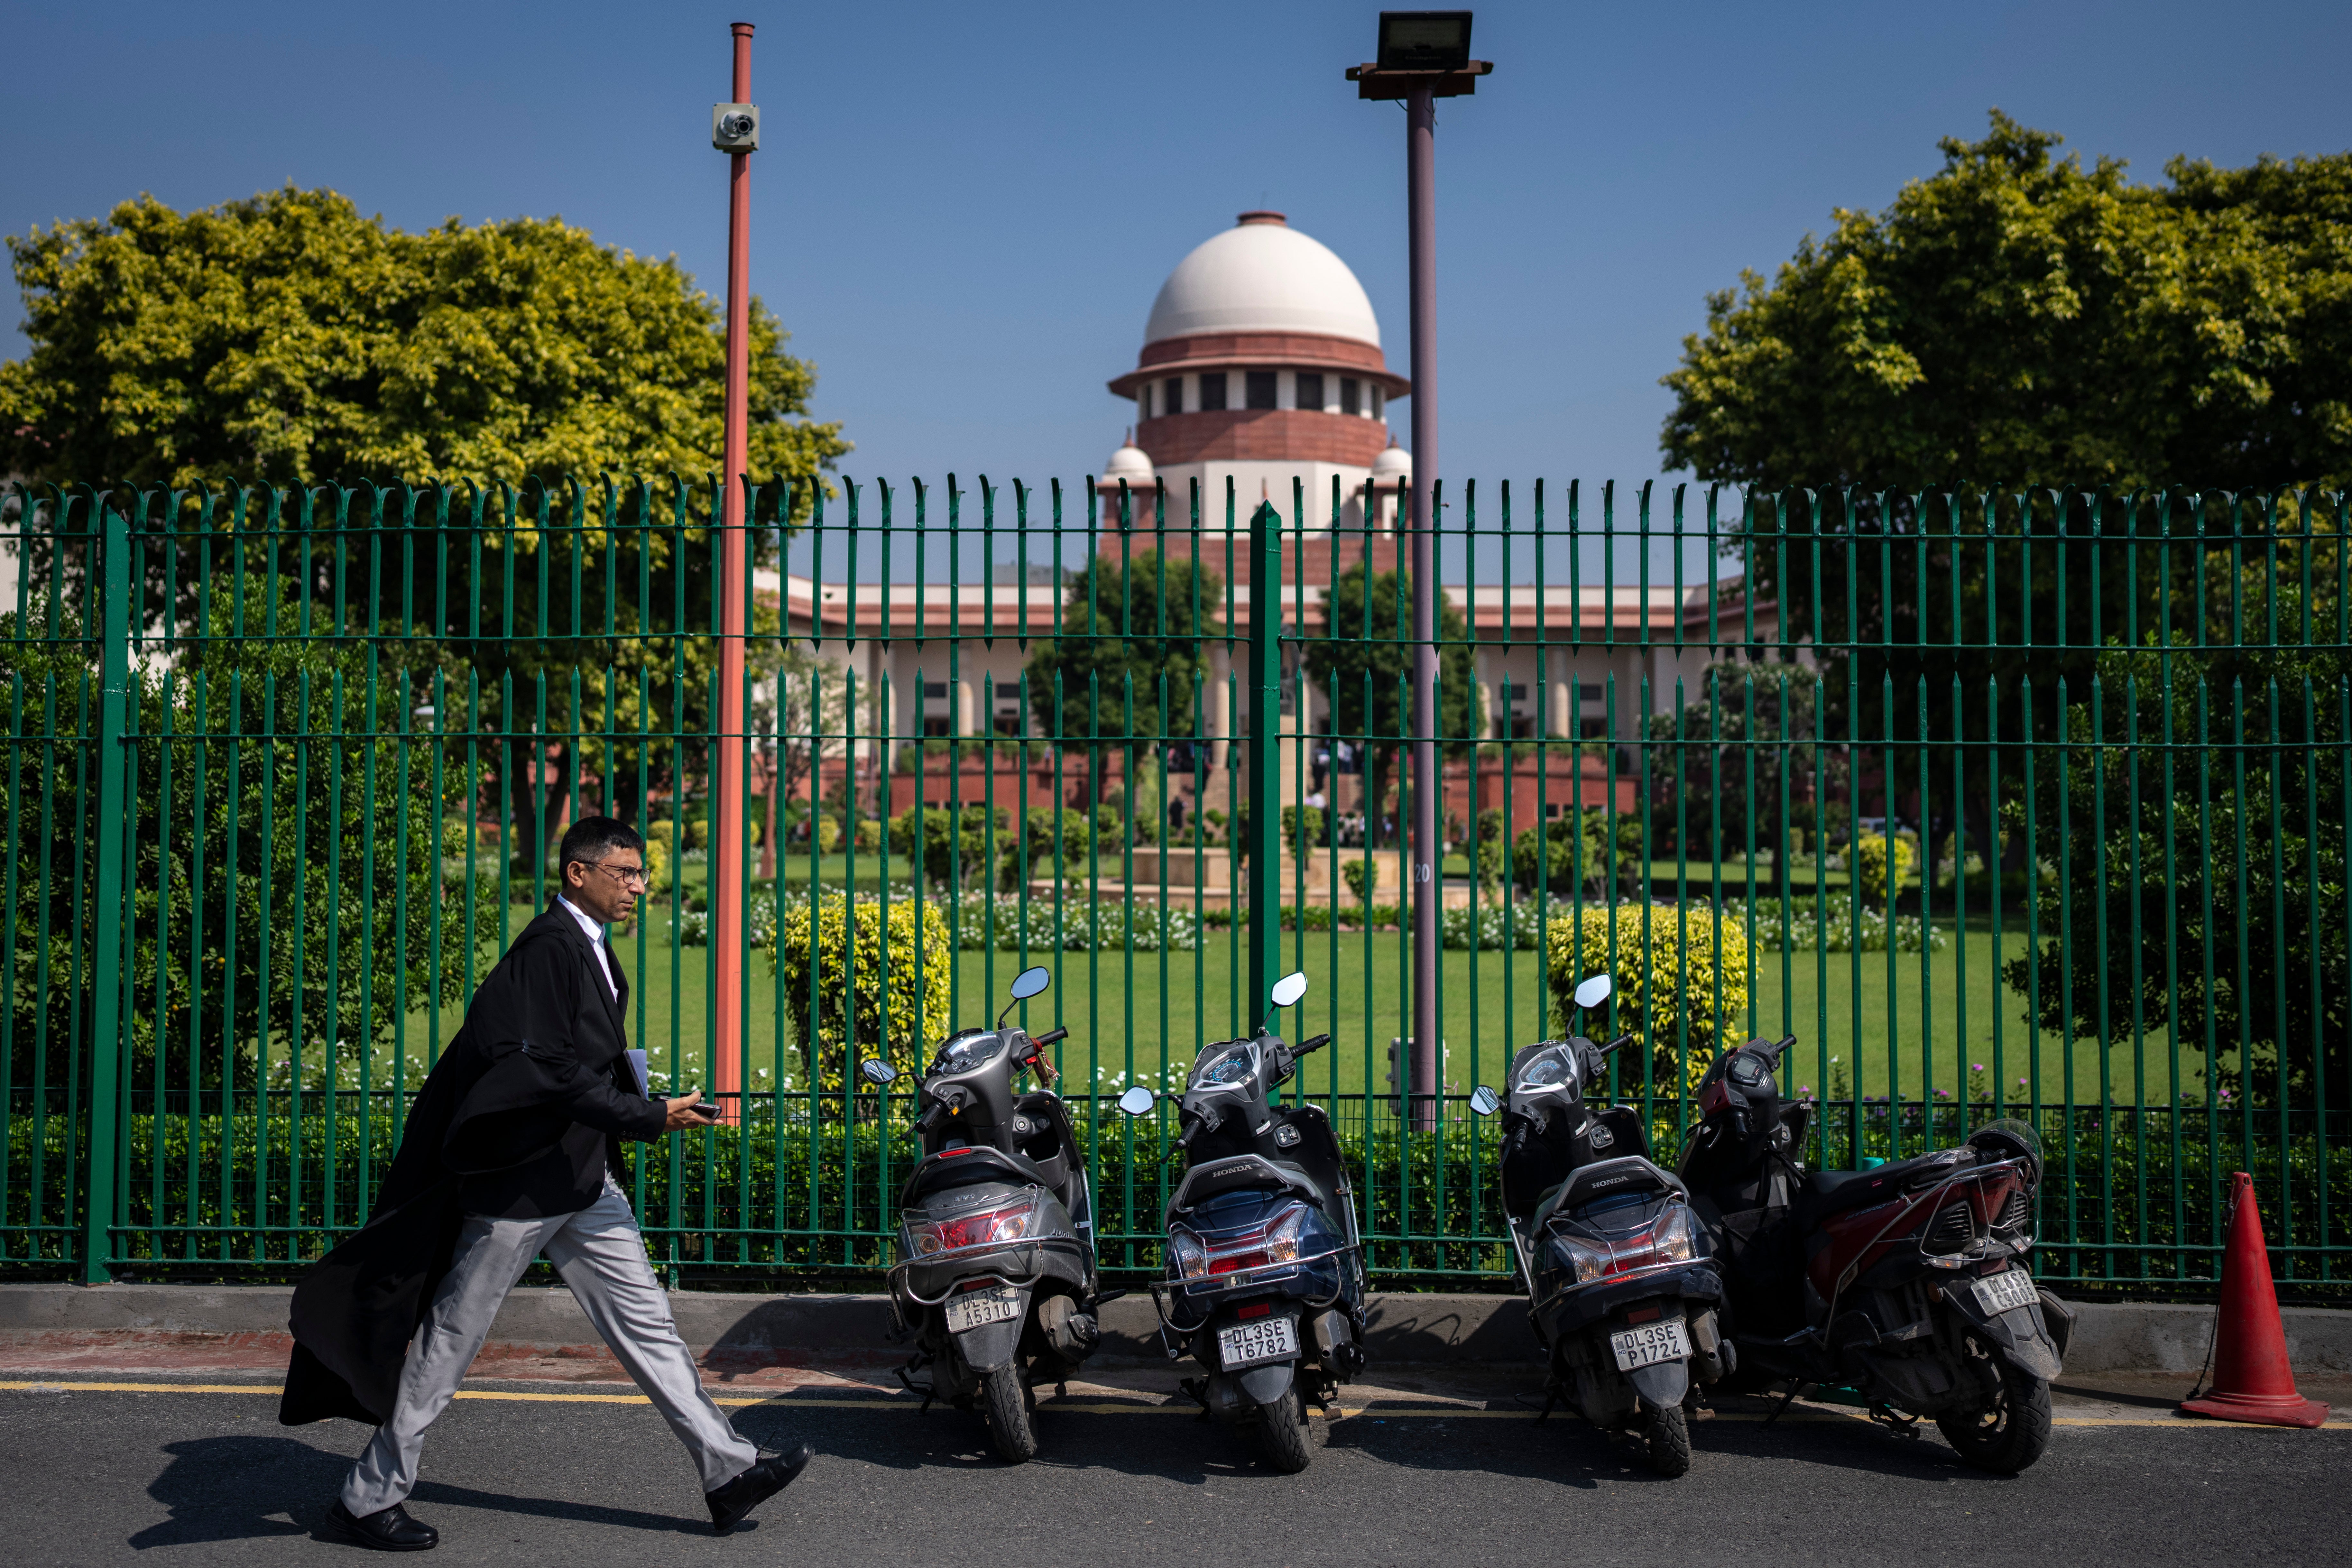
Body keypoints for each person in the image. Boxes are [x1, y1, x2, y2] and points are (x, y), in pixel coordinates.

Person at [279, 816, 811, 1549]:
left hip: (581, 1178)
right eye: (623, 872)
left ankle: (727, 1470)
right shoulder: (546, 951)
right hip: (522, 1184)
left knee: (648, 1326)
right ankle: (366, 1499)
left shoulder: (594, 952)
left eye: (639, 873)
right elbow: (539, 1071)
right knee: (450, 1342)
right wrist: (646, 1114)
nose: (637, 885)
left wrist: (644, 1108)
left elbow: (584, 1064)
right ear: (577, 873)